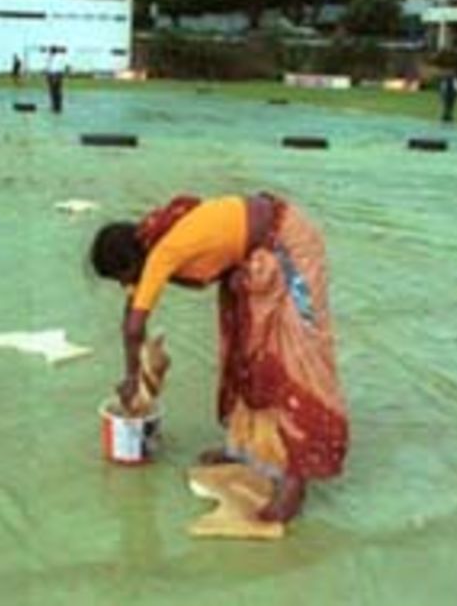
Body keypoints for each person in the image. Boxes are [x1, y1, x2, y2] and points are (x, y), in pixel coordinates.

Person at [90, 193, 349, 524]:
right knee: (245, 355)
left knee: (292, 361)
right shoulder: (146, 247)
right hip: (250, 258)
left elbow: (134, 327)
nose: (126, 285)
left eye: (122, 278)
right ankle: (245, 451)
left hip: (287, 245)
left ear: (130, 263)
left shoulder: (163, 252)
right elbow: (132, 311)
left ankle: (295, 481)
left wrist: (131, 379)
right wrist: (137, 379)